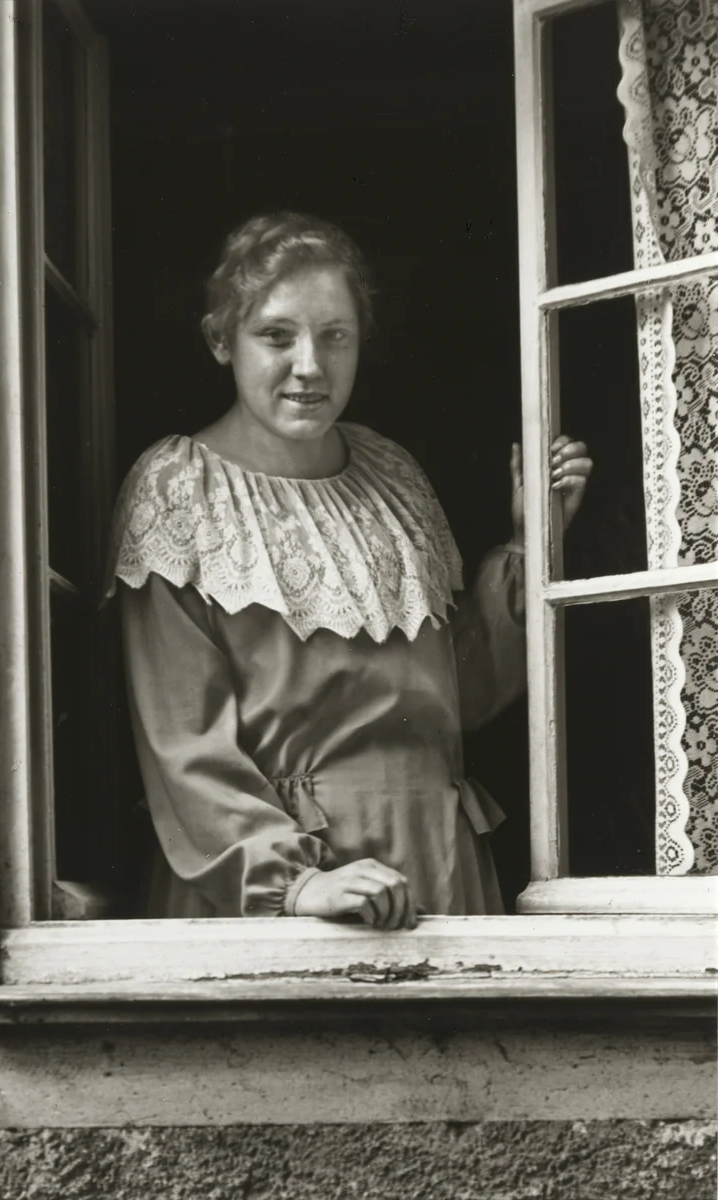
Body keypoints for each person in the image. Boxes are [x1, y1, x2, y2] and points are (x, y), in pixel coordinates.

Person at [104, 212, 593, 929]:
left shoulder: (392, 473)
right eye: (277, 335)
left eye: (335, 336)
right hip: (286, 885)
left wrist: (529, 545)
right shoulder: (179, 488)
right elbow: (182, 744)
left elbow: (451, 696)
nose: (310, 365)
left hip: (433, 856)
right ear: (220, 340)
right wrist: (295, 883)